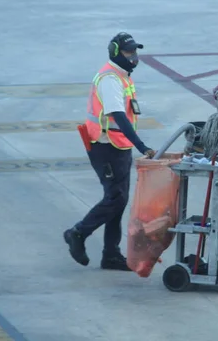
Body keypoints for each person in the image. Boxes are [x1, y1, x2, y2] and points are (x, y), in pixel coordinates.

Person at [64, 32, 156, 271]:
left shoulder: (123, 76)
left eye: (135, 51)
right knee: (115, 198)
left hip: (119, 145)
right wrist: (142, 145)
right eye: (129, 52)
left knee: (119, 200)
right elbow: (118, 116)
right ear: (116, 53)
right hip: (105, 146)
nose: (134, 57)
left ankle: (111, 255)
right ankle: (77, 233)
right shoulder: (110, 79)